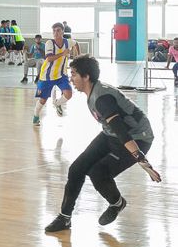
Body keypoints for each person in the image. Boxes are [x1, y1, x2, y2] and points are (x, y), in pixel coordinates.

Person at [44, 55, 161, 232]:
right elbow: (114, 129)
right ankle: (64, 218)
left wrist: (142, 161)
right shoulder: (92, 91)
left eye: (74, 74)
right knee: (77, 169)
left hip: (137, 138)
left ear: (86, 77)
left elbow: (121, 131)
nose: (71, 79)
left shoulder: (101, 98)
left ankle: (117, 204)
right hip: (111, 134)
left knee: (98, 172)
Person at [32, 22, 78, 126]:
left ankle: (57, 104)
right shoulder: (49, 43)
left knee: (69, 94)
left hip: (61, 75)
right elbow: (49, 58)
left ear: (62, 31)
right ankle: (35, 116)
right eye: (54, 31)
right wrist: (63, 54)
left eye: (58, 30)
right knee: (43, 100)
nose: (55, 33)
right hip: (47, 76)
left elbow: (76, 43)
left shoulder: (68, 42)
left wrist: (77, 56)